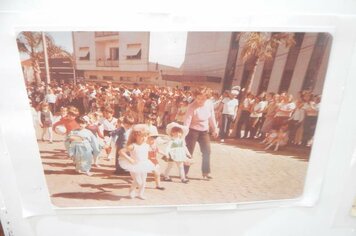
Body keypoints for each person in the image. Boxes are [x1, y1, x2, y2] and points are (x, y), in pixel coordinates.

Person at [183, 88, 218, 180]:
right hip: (192, 131)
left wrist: (215, 129)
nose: (200, 100)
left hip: (204, 131)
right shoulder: (191, 106)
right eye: (198, 98)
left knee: (207, 151)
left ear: (207, 98)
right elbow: (187, 121)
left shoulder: (209, 104)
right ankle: (184, 172)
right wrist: (183, 134)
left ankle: (206, 172)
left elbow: (212, 117)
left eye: (203, 98)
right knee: (188, 153)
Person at [119, 124, 155, 200]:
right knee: (138, 181)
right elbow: (121, 152)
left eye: (145, 136)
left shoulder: (146, 145)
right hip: (134, 165)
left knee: (144, 180)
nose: (144, 138)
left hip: (144, 164)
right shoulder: (133, 146)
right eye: (141, 136)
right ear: (135, 136)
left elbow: (148, 153)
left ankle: (140, 194)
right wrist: (130, 159)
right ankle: (131, 190)